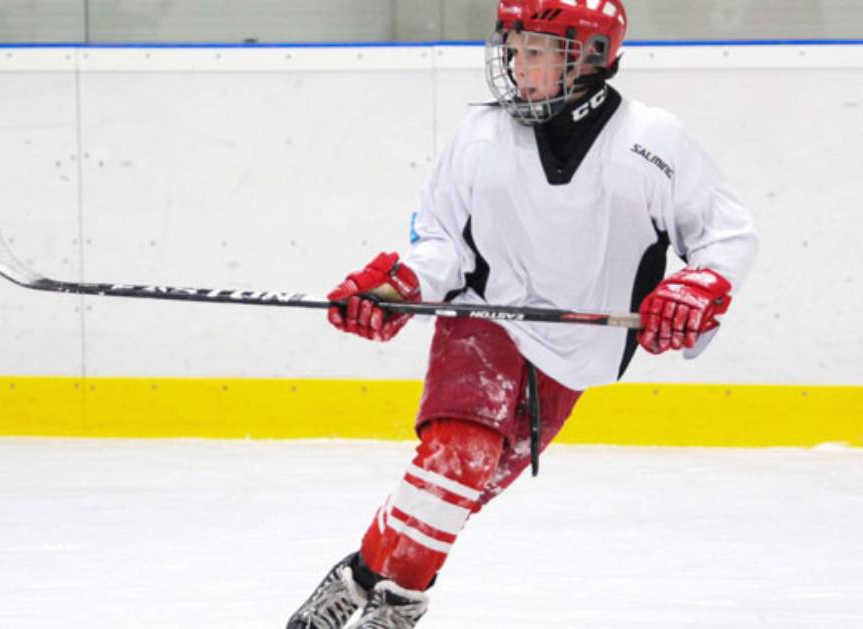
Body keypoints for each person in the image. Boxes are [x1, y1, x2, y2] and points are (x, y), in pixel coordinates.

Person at [288, 1, 758, 627]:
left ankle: (363, 574)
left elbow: (727, 236)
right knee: (460, 456)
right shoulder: (478, 136)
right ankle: (400, 606)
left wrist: (695, 287)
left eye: (536, 50)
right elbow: (443, 243)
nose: (515, 63)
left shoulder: (654, 141)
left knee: (454, 494)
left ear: (591, 56)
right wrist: (402, 286)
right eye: (513, 47)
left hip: (578, 351)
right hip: (484, 317)